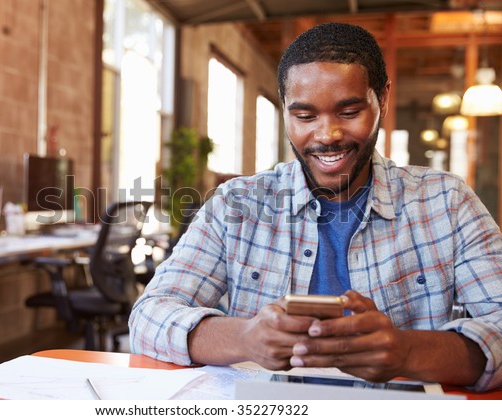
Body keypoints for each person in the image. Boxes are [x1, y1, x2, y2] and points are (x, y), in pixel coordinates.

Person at [128, 22, 502, 391]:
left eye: (349, 111)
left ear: (383, 99)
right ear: (285, 108)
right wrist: (244, 337)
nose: (327, 135)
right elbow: (149, 316)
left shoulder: (446, 203)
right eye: (304, 116)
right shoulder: (235, 205)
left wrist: (408, 351)